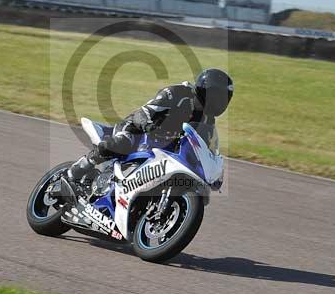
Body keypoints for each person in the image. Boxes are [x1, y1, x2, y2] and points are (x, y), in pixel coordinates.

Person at [64, 68, 234, 197]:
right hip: (140, 132)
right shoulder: (178, 93)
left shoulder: (207, 121)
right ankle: (76, 171)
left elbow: (202, 148)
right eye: (219, 96)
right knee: (121, 143)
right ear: (205, 90)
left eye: (225, 98)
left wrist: (212, 171)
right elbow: (144, 112)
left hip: (165, 149)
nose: (221, 102)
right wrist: (148, 124)